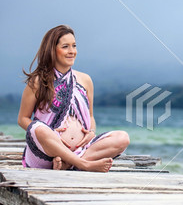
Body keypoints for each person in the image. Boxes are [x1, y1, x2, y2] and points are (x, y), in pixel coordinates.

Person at [18, 25, 130, 172]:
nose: (72, 51)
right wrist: (52, 136)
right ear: (52, 50)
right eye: (65, 46)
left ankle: (70, 164)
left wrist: (91, 132)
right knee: (37, 128)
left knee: (123, 137)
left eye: (74, 46)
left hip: (82, 149)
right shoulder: (38, 81)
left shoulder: (85, 80)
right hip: (48, 153)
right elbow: (23, 119)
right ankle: (84, 165)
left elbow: (90, 116)